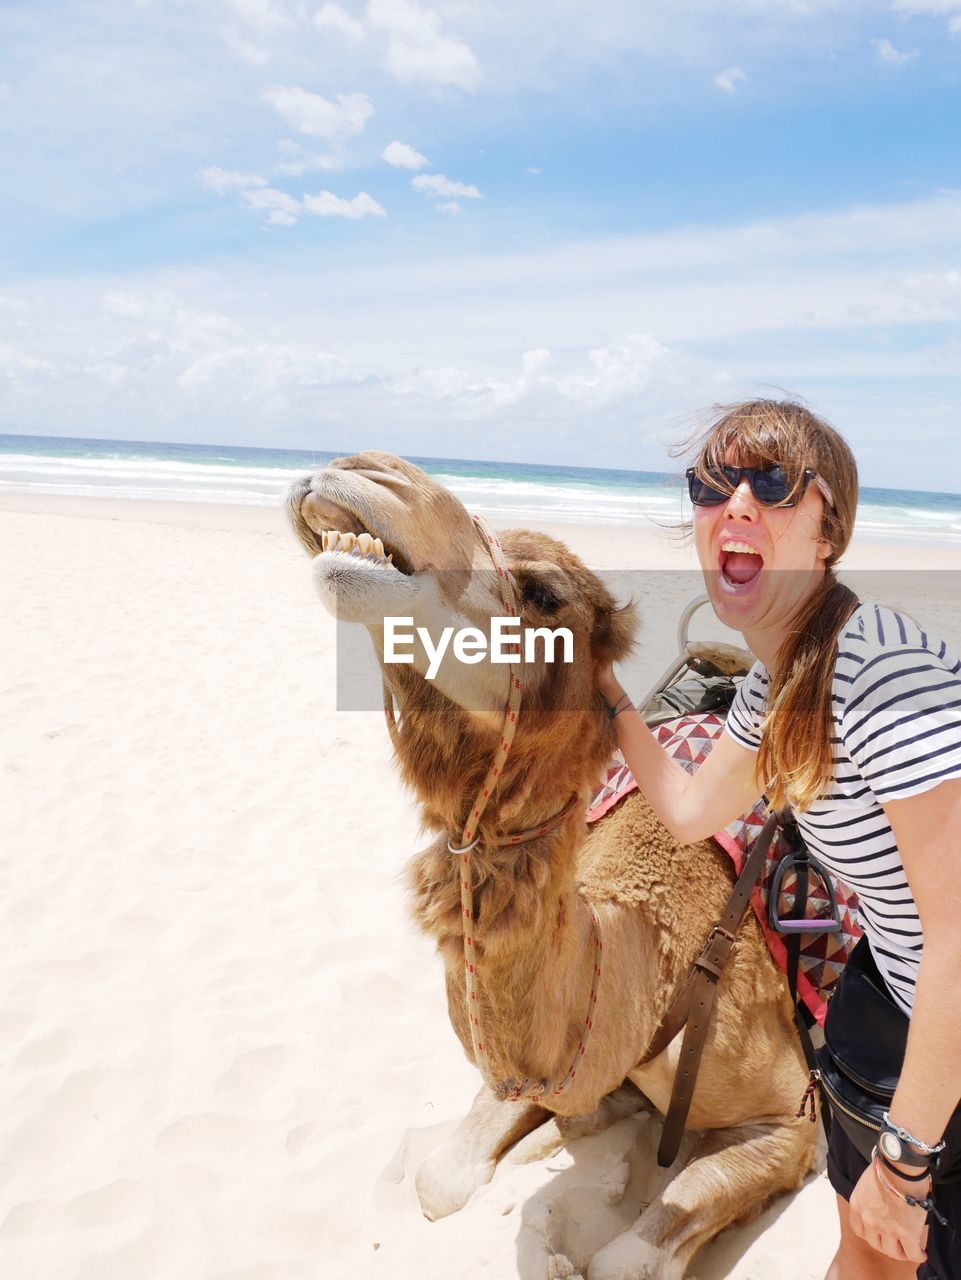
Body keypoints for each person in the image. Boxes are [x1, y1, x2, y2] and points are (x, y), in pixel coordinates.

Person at [596, 399, 961, 1280]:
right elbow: (689, 811)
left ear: (826, 528)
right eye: (711, 485)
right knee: (863, 1259)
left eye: (771, 484)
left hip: (942, 1039)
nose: (736, 504)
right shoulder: (778, 678)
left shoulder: (875, 667)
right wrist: (603, 687)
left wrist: (908, 1164)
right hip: (883, 1004)